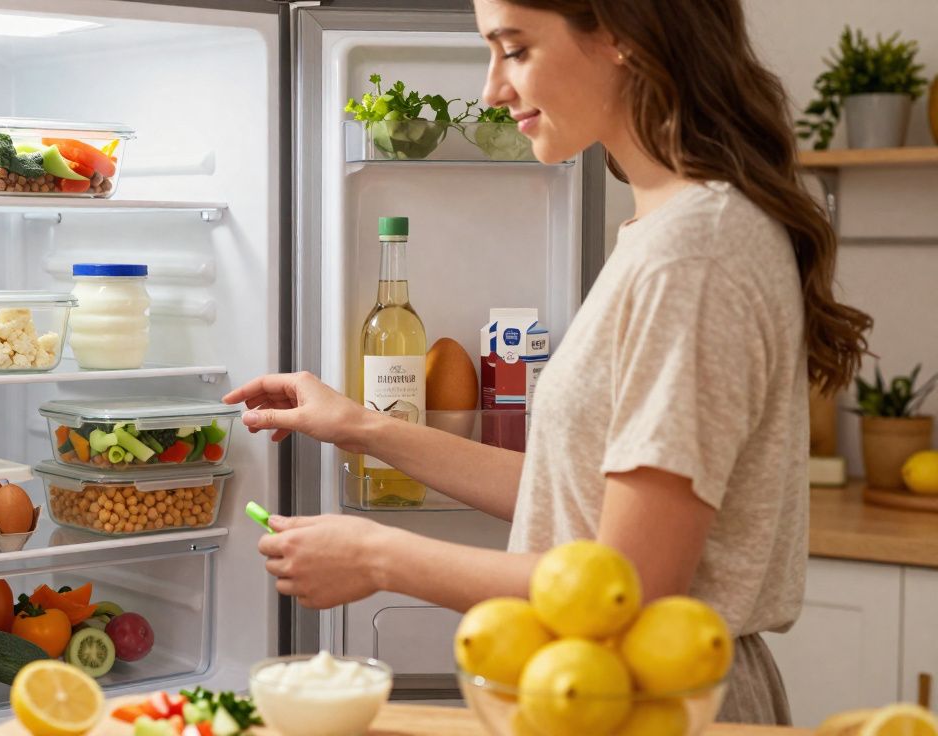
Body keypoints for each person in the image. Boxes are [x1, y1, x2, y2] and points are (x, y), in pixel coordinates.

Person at [222, 0, 872, 725]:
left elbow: (628, 588)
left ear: (621, 36)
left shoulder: (695, 252)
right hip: (597, 690)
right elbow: (581, 501)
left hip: (661, 703)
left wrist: (380, 558)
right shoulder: (664, 229)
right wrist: (364, 429)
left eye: (515, 48)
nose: (491, 89)